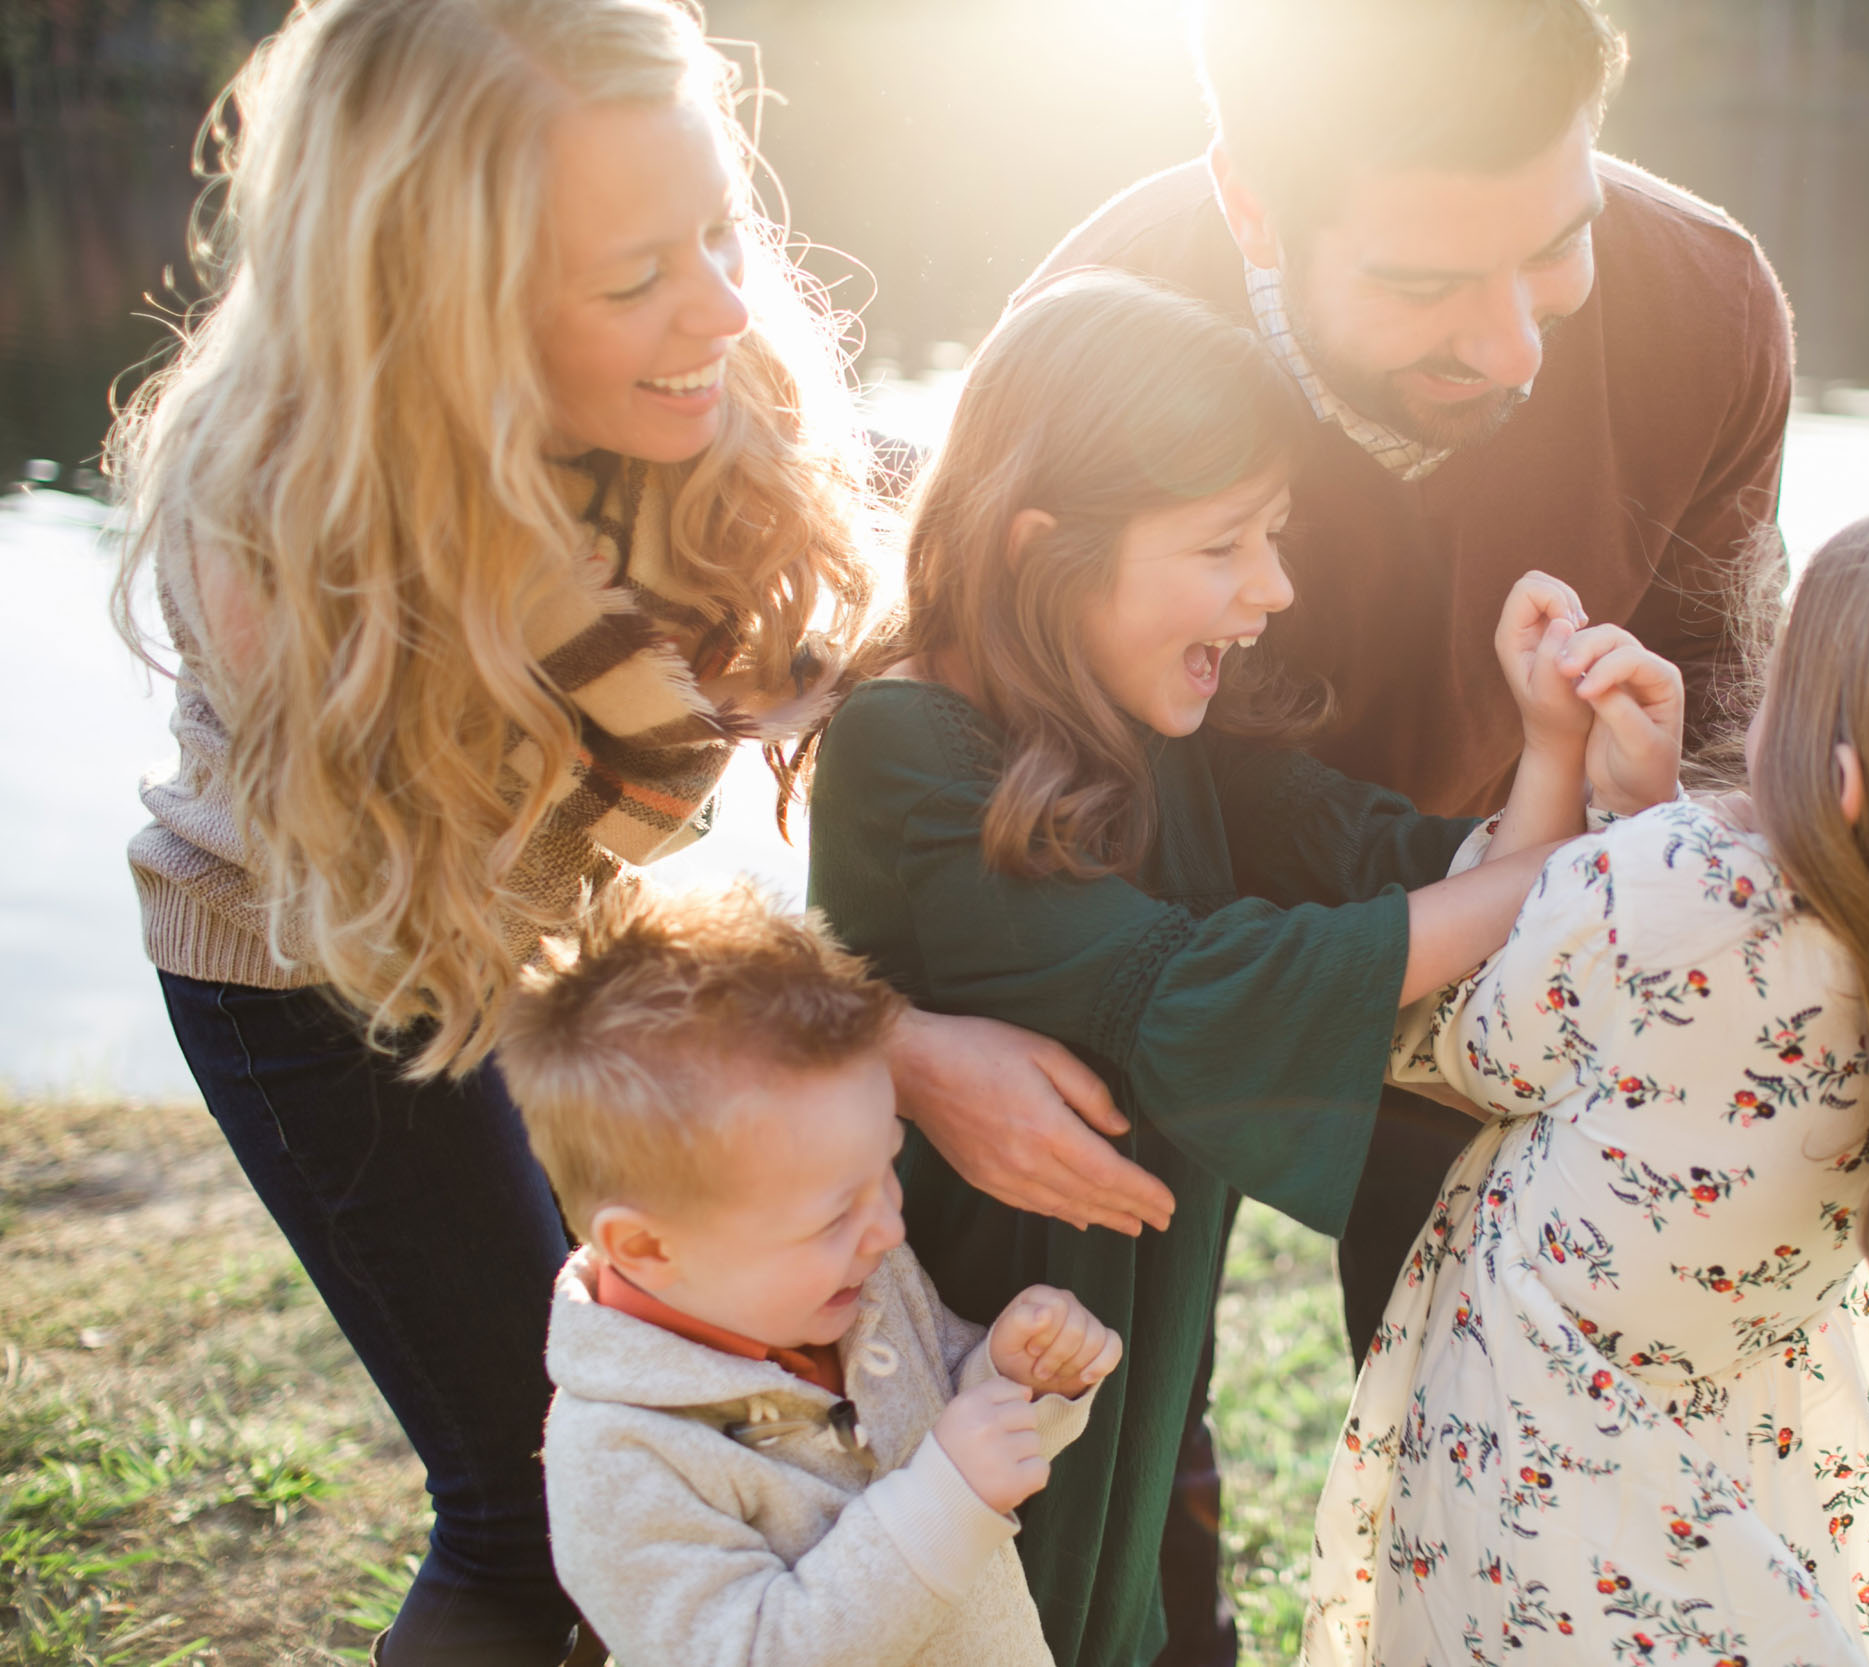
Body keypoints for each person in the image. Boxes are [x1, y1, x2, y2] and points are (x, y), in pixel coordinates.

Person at [107, 3, 1154, 1660]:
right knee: (541, 1507)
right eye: (636, 277)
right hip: (328, 964)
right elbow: (481, 948)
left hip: (558, 919)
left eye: (722, 230)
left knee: (735, 1443)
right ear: (439, 311)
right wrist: (890, 1049)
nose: (726, 305)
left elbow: (892, 559)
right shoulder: (299, 558)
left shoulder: (716, 389)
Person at [803, 270, 1688, 1667]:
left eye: (1273, 535)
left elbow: (1413, 876)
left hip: (1116, 1355)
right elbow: (1180, 991)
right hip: (931, 1364)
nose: (1273, 589)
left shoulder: (1179, 731)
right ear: (1048, 547)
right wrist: (1567, 868)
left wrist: (1555, 757)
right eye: (1225, 545)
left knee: (1114, 1616)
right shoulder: (907, 743)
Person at [1302, 502, 1869, 1666]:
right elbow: (1710, 1011)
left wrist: (1561, 765)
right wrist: (1650, 818)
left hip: (1544, 1501)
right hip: (1745, 1477)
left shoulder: (1677, 893)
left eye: (1779, 675)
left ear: (1843, 781)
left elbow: (1462, 1038)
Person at [495, 881, 1121, 1667]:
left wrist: (1009, 1376)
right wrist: (946, 1499)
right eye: (834, 1214)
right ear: (649, 1247)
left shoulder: (857, 1281)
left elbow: (940, 1424)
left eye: (885, 1170)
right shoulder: (623, 1459)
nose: (889, 1227)